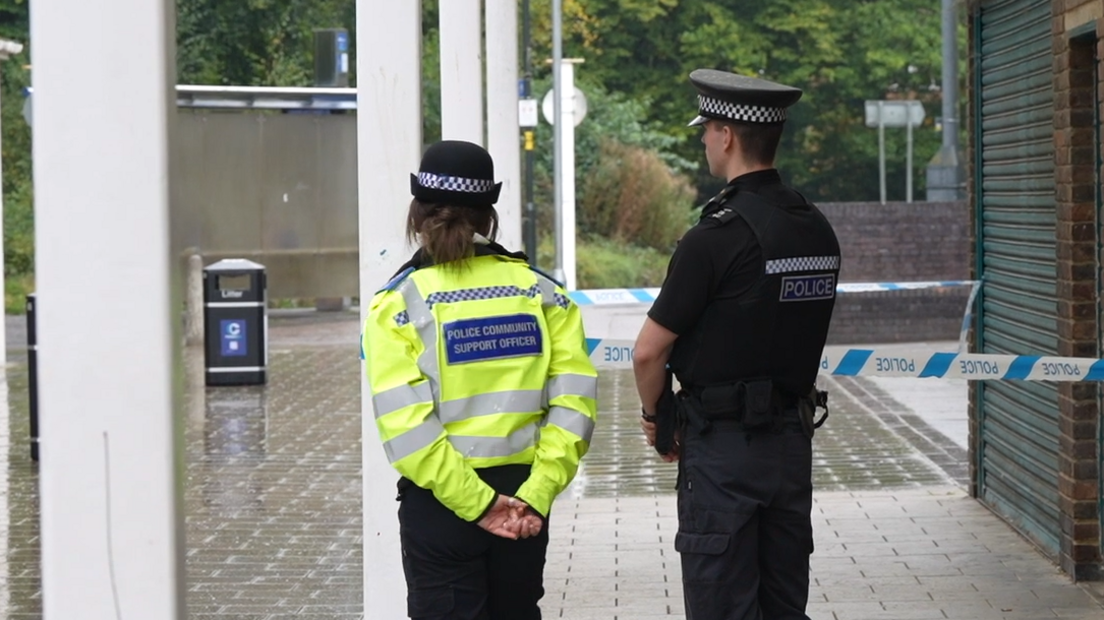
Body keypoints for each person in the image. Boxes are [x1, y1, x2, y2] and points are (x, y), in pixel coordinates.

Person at [633, 69, 841, 620]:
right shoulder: (816, 229)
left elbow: (648, 352)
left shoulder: (715, 238)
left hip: (723, 456)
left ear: (726, 135)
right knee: (783, 606)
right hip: (791, 451)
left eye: (706, 129)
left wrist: (657, 417)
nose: (702, 140)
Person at [361, 140, 599, 620]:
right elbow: (574, 410)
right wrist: (533, 495)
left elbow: (409, 432)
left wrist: (479, 505)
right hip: (524, 505)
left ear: (417, 214)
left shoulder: (399, 305)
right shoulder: (543, 294)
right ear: (488, 215)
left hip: (443, 509)